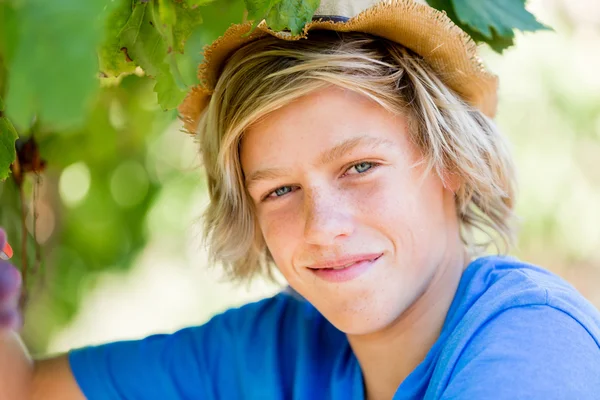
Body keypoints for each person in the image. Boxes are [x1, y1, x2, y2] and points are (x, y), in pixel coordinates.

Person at [1, 0, 600, 398]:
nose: (323, 226)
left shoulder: (533, 339)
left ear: (450, 164)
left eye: (360, 167)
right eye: (280, 190)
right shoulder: (283, 347)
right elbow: (25, 389)